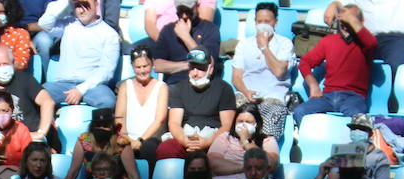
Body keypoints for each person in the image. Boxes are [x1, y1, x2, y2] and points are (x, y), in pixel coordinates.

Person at [294, 3, 377, 124]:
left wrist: (351, 20)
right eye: (343, 21)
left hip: (353, 97)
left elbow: (372, 43)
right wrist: (313, 84)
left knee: (357, 118)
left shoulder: (364, 43)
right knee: (300, 111)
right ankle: (310, 141)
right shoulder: (329, 41)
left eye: (350, 21)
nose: (346, 25)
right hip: (328, 97)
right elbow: (305, 62)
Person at [155, 49, 236, 160]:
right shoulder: (178, 88)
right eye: (192, 68)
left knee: (227, 151)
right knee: (166, 149)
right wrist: (185, 141)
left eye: (200, 68)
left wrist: (207, 142)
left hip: (214, 137)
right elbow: (174, 122)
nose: (195, 73)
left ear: (210, 69)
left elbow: (226, 125)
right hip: (186, 136)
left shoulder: (224, 89)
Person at [229, 3, 293, 141]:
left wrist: (264, 47)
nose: (263, 25)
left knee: (273, 111)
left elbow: (279, 71)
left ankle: (265, 151)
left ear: (275, 22)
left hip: (273, 97)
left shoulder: (285, 43)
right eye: (259, 21)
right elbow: (236, 77)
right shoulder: (244, 45)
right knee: (227, 107)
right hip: (246, 95)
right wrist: (246, 92)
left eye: (267, 21)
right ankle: (231, 148)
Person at [42, 0, 121, 109]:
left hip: (93, 87)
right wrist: (68, 1)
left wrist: (80, 90)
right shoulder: (68, 25)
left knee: (107, 101)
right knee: (37, 95)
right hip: (62, 85)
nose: (81, 10)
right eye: (77, 6)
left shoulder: (109, 34)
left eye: (86, 5)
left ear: (96, 5)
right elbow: (44, 23)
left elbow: (107, 70)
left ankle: (95, 125)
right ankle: (49, 124)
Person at [0, 44, 55, 145]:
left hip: (30, 138)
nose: (3, 68)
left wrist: (40, 133)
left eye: (6, 64)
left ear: (12, 63)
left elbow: (48, 102)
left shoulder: (25, 80)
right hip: (1, 141)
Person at [323, 0, 404, 83]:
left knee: (396, 67)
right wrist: (335, 4)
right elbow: (343, 3)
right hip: (364, 36)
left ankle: (393, 100)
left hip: (397, 38)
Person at [66, 106, 146, 179]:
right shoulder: (84, 141)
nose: (101, 128)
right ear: (92, 126)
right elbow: (73, 170)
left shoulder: (121, 142)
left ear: (112, 127)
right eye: (98, 125)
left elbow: (133, 173)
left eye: (105, 126)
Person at [208, 103, 280, 179]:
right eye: (240, 121)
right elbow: (213, 163)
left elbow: (270, 163)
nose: (243, 125)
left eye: (248, 122)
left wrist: (245, 142)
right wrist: (246, 167)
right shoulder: (225, 138)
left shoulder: (267, 140)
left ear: (256, 124)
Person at [117, 47, 169, 172]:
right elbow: (119, 117)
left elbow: (159, 120)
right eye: (138, 67)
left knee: (149, 148)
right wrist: (126, 138)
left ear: (152, 64)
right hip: (128, 137)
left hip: (151, 139)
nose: (142, 71)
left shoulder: (161, 87)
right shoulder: (125, 86)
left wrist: (140, 140)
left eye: (145, 66)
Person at [152, 0, 222, 87]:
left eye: (188, 11)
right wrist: (188, 65)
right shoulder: (168, 30)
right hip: (175, 85)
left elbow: (209, 62)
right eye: (180, 11)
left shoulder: (209, 29)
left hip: (201, 85)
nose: (184, 15)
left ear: (197, 5)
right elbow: (158, 65)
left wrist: (186, 37)